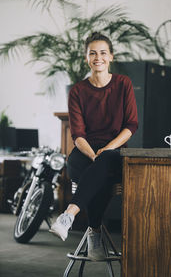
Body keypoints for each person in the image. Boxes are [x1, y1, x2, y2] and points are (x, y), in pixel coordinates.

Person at [50, 32, 138, 260]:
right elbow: (77, 134)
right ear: (86, 58)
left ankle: (71, 215)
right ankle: (94, 231)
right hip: (84, 151)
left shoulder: (123, 84)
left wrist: (108, 149)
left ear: (110, 57)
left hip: (114, 151)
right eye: (92, 53)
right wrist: (93, 154)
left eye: (102, 53)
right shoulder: (78, 91)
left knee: (105, 163)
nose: (97, 57)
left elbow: (131, 124)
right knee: (94, 170)